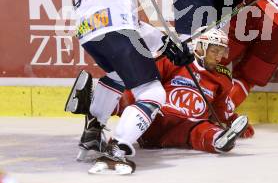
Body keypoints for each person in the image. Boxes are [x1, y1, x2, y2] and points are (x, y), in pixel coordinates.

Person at [66, 0, 194, 175]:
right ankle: (118, 146)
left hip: (90, 33)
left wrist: (166, 44)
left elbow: (131, 23)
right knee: (152, 93)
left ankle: (93, 131)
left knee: (117, 76)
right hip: (113, 29)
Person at [75, 27, 250, 154]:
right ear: (199, 47)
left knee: (201, 129)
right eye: (214, 51)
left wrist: (231, 120)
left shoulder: (223, 78)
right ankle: (91, 103)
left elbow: (220, 109)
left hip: (184, 126)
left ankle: (218, 139)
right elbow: (144, 82)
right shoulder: (175, 61)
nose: (219, 57)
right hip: (154, 119)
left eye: (222, 52)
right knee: (133, 95)